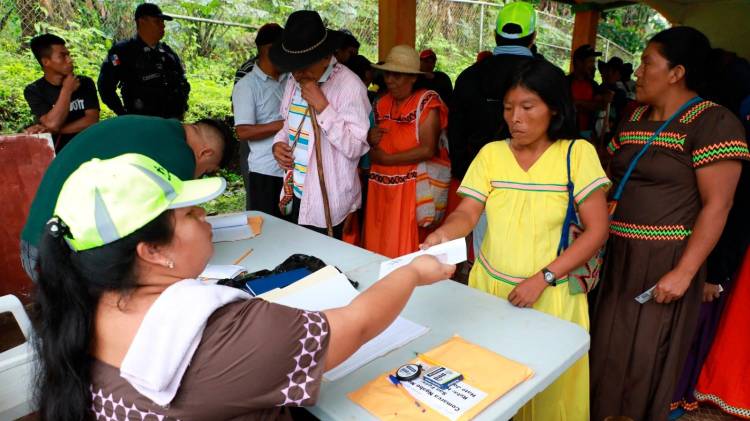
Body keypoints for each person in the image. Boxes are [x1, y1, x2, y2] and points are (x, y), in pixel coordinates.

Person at [32, 152, 455, 421]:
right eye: (189, 214)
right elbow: (356, 325)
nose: (205, 216)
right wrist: (413, 273)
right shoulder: (224, 335)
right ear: (152, 252)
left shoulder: (80, 306)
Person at [424, 58, 611, 421]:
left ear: (554, 108)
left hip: (550, 295)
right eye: (509, 108)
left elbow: (597, 230)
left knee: (547, 393)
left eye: (528, 107)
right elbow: (468, 212)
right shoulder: (492, 154)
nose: (515, 118)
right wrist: (443, 234)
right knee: (487, 387)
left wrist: (543, 278)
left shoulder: (577, 154)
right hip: (490, 292)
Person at [590, 27, 749, 421]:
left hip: (666, 259)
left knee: (645, 357)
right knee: (604, 349)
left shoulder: (713, 122)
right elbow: (609, 174)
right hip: (617, 255)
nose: (638, 72)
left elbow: (719, 205)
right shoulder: (635, 116)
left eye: (647, 63)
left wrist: (685, 271)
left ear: (677, 72)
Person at [20, 115, 232, 283]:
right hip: (64, 255)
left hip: (39, 239)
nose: (199, 175)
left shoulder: (155, 129)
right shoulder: (181, 154)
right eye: (207, 171)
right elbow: (173, 232)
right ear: (206, 154)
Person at [270, 11, 371, 240]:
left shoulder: (350, 87)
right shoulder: (294, 80)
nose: (298, 73)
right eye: (293, 67)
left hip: (328, 204)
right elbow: (288, 124)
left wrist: (324, 107)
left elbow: (356, 147)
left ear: (326, 57)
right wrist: (279, 144)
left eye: (304, 66)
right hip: (295, 191)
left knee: (323, 269)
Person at [448, 1, 536, 259]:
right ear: (533, 37)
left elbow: (456, 132)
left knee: (484, 255)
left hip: (481, 184)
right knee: (526, 259)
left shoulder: (469, 76)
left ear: (496, 35)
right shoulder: (547, 79)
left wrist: (465, 175)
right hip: (533, 188)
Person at [363, 45, 448, 258]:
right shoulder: (381, 103)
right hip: (379, 189)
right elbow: (371, 143)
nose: (390, 80)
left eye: (397, 75)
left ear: (413, 78)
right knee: (376, 247)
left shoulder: (427, 102)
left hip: (411, 191)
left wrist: (387, 159)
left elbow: (427, 150)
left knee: (404, 251)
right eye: (388, 74)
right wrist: (368, 137)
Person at [97, 3, 190, 120]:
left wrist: (181, 108)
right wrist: (122, 113)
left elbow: (183, 82)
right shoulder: (123, 52)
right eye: (157, 21)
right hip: (140, 121)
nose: (163, 26)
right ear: (142, 22)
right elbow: (105, 87)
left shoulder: (167, 53)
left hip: (170, 122)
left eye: (163, 22)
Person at [232, 23, 287, 216]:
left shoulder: (290, 79)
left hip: (291, 172)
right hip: (265, 172)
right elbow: (243, 131)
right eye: (284, 49)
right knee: (266, 229)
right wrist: (281, 125)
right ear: (269, 50)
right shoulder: (247, 86)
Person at [23, 33, 99, 152]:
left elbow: (92, 121)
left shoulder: (85, 83)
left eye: (69, 55)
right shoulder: (34, 90)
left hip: (86, 149)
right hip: (55, 154)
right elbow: (52, 123)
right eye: (63, 56)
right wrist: (67, 90)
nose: (70, 60)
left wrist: (51, 130)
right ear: (46, 62)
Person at [568, 44, 613, 141]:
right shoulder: (565, 82)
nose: (593, 66)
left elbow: (602, 105)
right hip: (567, 135)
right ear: (579, 63)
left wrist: (578, 103)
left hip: (588, 136)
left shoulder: (593, 85)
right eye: (591, 62)